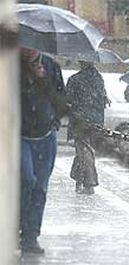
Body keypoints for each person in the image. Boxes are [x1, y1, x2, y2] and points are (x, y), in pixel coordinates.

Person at [20, 47, 69, 254]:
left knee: (40, 187)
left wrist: (56, 121)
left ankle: (31, 236)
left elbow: (60, 97)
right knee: (26, 179)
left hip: (45, 136)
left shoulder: (50, 66)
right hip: (19, 136)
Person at [67, 61, 109, 194]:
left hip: (80, 120)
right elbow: (102, 99)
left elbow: (67, 99)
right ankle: (79, 180)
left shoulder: (75, 80)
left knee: (84, 151)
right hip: (96, 121)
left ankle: (89, 183)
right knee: (84, 151)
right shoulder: (99, 79)